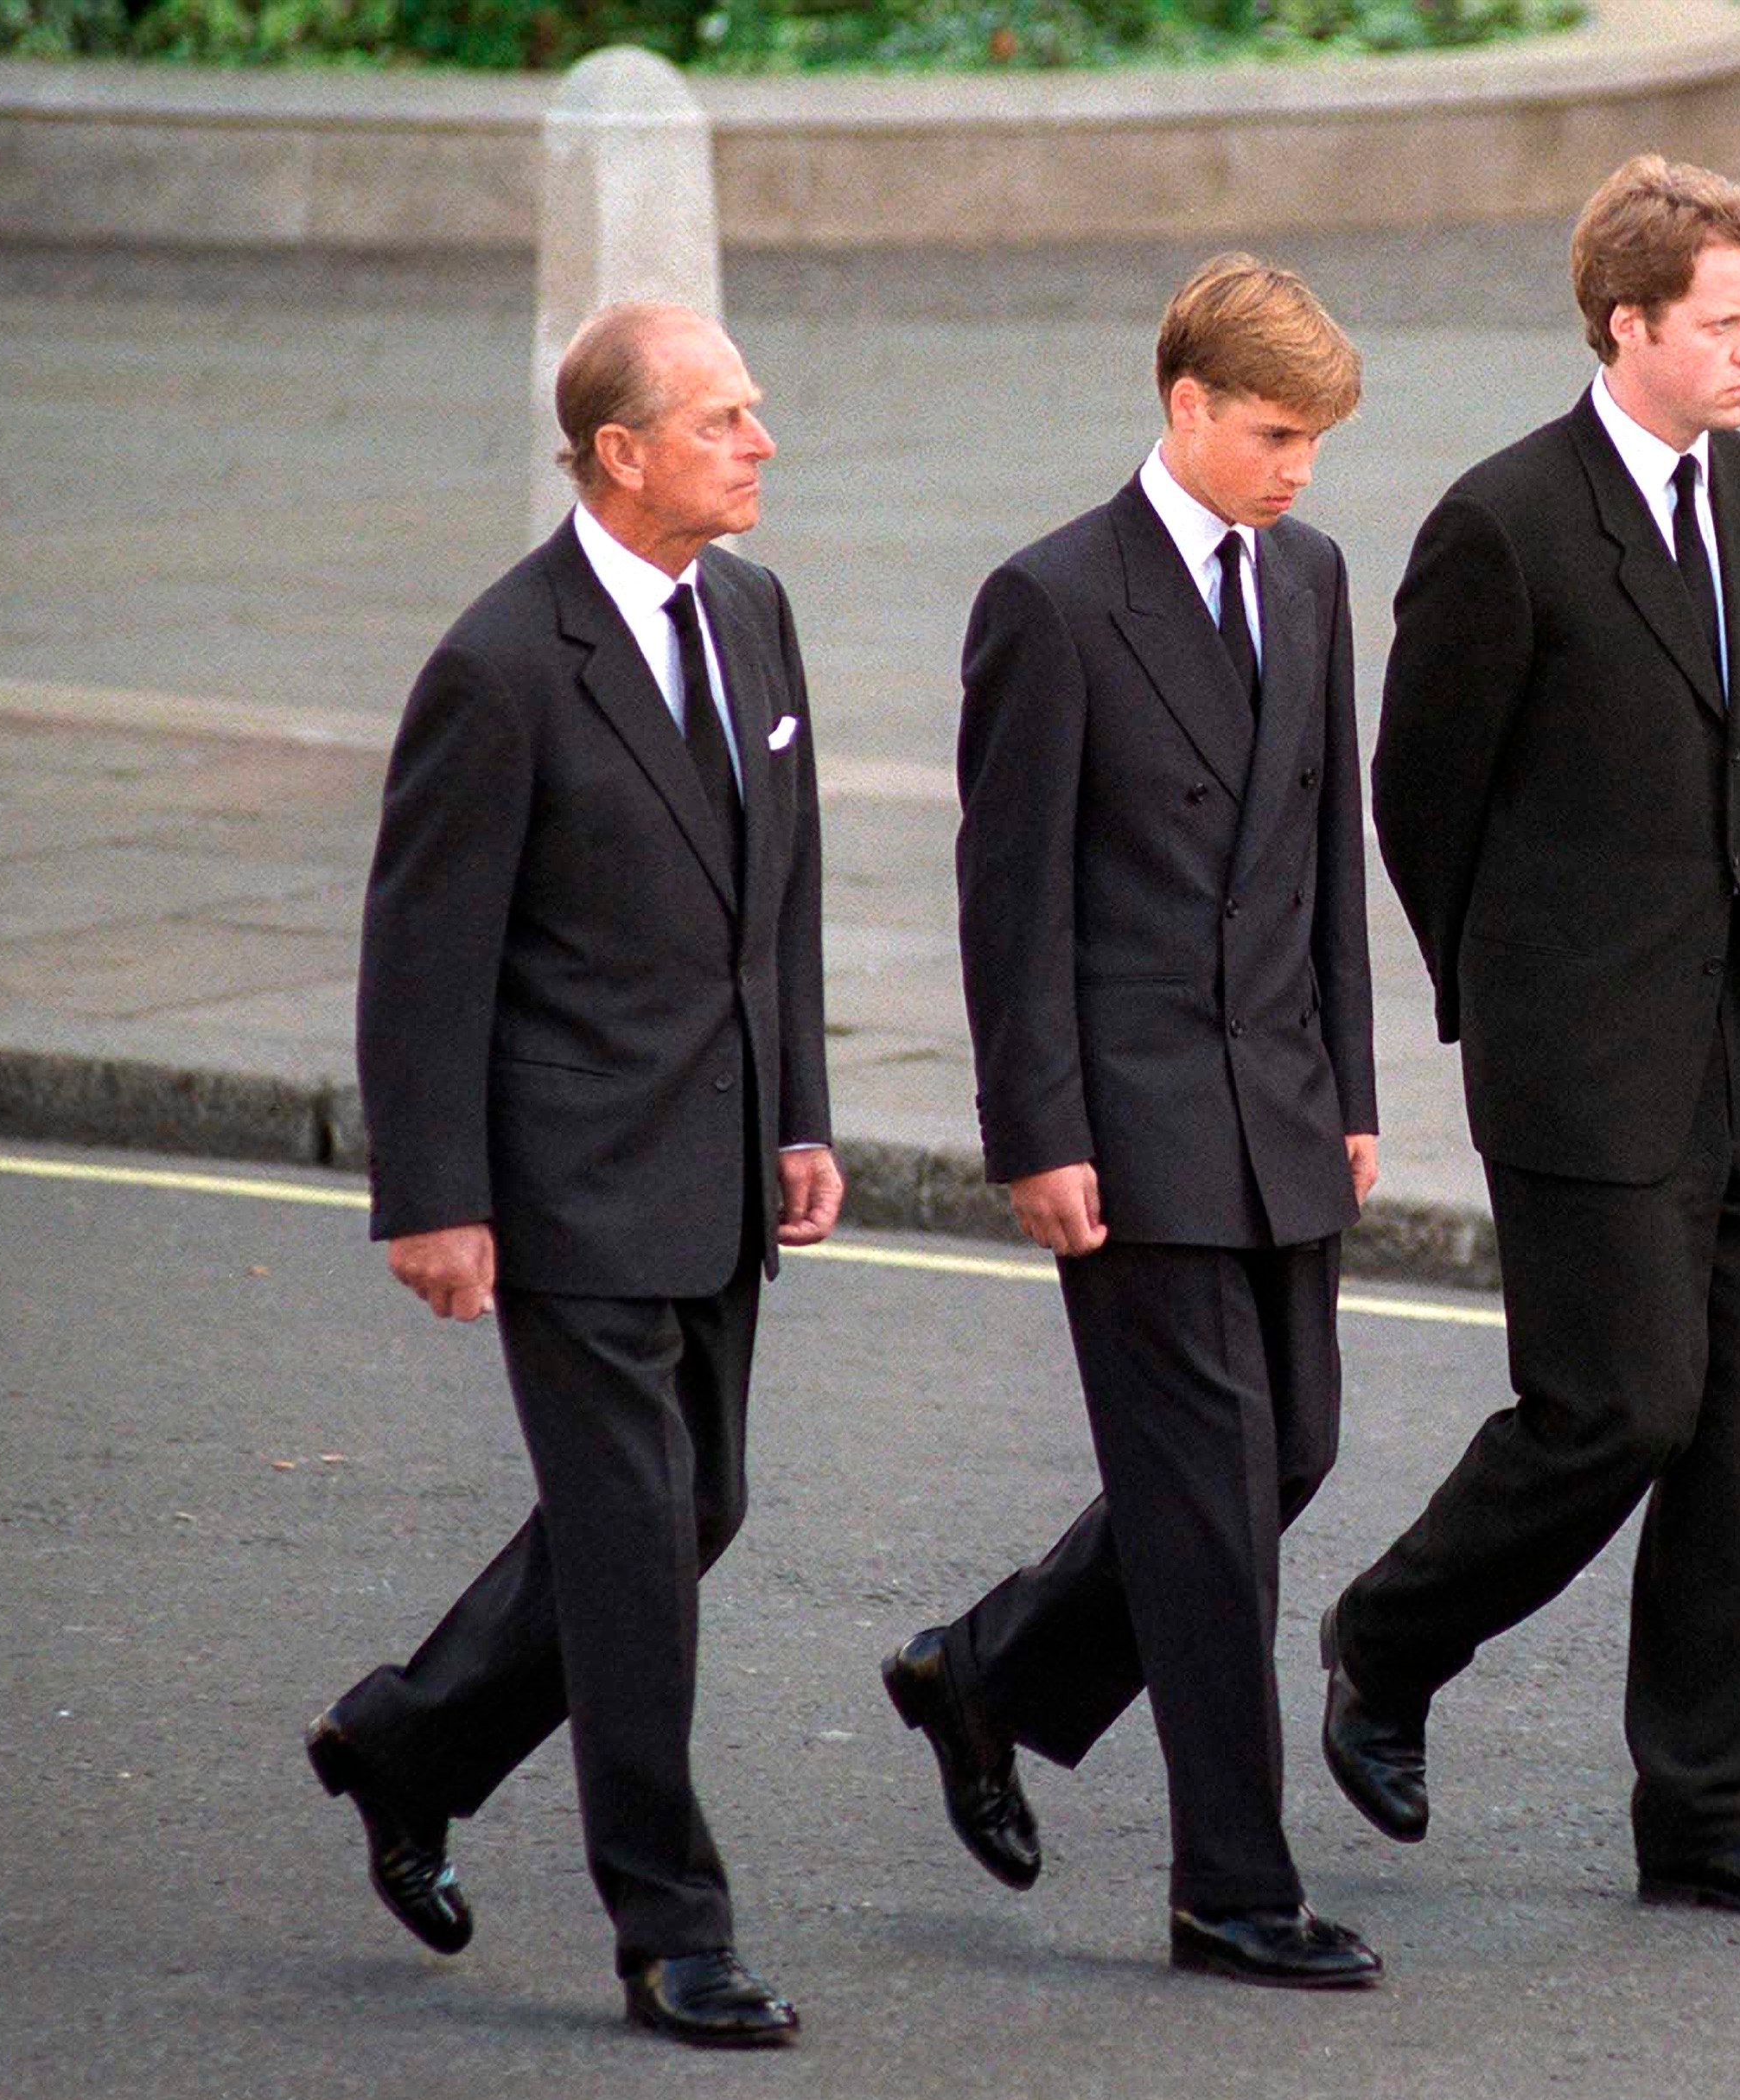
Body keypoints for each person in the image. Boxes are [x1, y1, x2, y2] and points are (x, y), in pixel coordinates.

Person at [1319, 155, 1740, 1923]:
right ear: (1626, 323)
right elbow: (1419, 802)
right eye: (1725, 324)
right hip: (1580, 1054)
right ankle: (1388, 1638)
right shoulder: (1508, 525)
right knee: (1619, 1408)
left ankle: (1704, 1809)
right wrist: (1510, 1004)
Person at [307, 301, 839, 2046]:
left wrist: (803, 1113)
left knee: (698, 1509)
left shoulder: (751, 614)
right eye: (726, 420)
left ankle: (410, 1743)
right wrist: (433, 1198)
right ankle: (672, 1928)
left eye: (756, 415)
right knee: (627, 1548)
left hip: (716, 1158)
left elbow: (785, 900)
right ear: (621, 452)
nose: (762, 442)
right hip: (569, 1183)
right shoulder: (506, 663)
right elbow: (423, 952)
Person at [880, 257, 1383, 1991]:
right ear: (1182, 406)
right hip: (1134, 1119)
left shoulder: (1312, 578)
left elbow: (1329, 857)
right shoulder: (1054, 600)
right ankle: (1230, 1889)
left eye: (1315, 438)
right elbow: (1004, 899)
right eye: (1271, 433)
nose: (1298, 469)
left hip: (1283, 1104)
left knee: (1289, 1455)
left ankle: (990, 1675)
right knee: (1208, 1513)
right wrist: (1036, 1131)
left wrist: (1358, 1094)